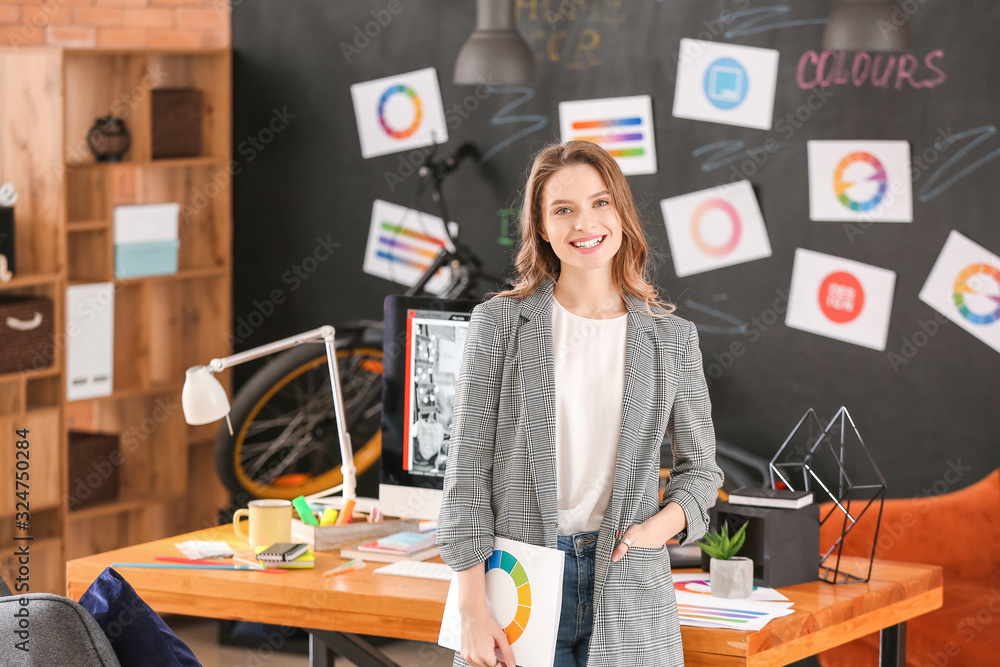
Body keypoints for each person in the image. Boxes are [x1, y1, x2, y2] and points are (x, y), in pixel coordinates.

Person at [436, 140, 724, 667]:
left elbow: (701, 471)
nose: (584, 223)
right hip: (518, 582)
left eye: (600, 203)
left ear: (621, 213)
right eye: (563, 210)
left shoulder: (671, 339)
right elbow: (466, 475)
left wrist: (653, 532)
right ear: (542, 228)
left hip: (631, 586)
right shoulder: (498, 325)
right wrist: (471, 610)